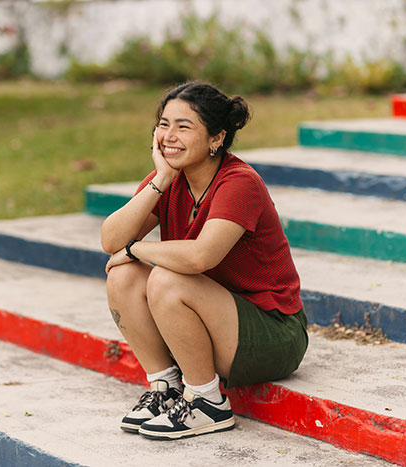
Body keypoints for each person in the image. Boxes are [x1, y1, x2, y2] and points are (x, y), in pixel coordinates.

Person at [102, 81, 308, 441]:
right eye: (163, 124)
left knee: (165, 279)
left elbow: (200, 256)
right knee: (123, 277)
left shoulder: (238, 183)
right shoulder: (170, 180)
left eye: (184, 126)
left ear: (216, 138)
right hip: (216, 320)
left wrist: (137, 249)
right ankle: (165, 390)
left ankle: (207, 402)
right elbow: (110, 240)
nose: (169, 136)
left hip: (272, 331)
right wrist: (160, 179)